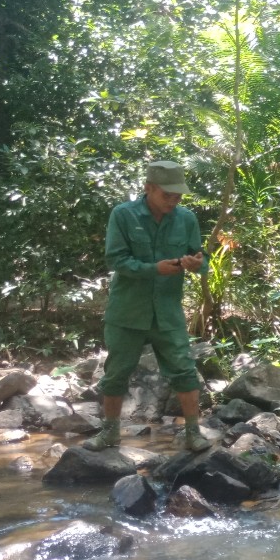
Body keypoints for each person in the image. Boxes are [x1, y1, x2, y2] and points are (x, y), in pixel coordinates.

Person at [84, 161, 211, 453]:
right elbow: (116, 260)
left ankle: (193, 433)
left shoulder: (186, 218)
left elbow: (201, 259)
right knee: (116, 373)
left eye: (178, 195)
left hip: (167, 311)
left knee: (184, 370)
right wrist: (154, 269)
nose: (174, 200)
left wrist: (196, 264)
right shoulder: (123, 215)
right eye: (167, 194)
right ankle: (110, 433)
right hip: (127, 311)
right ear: (148, 188)